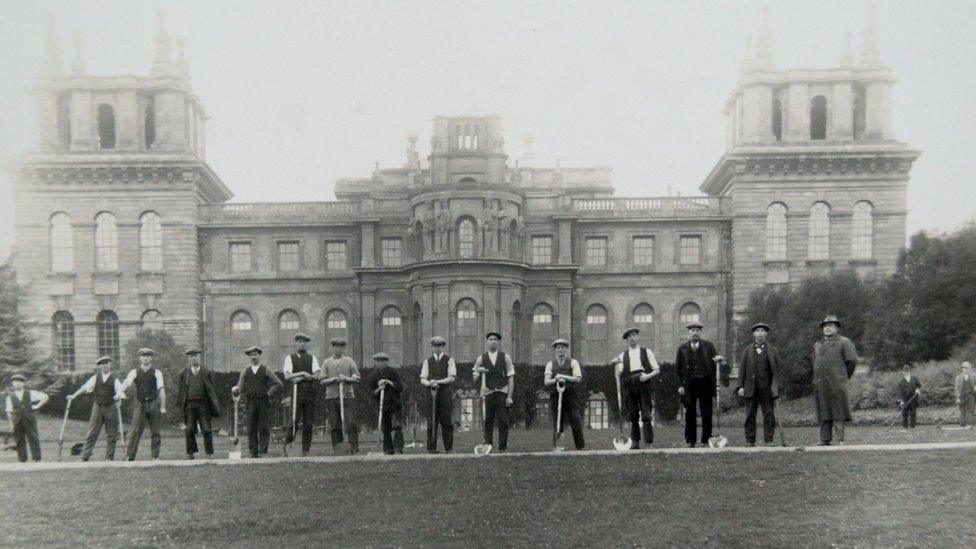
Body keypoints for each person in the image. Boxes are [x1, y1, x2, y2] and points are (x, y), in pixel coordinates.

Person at [67, 356, 124, 461]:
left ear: (110, 365)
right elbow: (84, 388)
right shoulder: (95, 378)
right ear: (99, 366)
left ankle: (109, 458)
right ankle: (84, 457)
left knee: (112, 434)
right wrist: (74, 396)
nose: (104, 365)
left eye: (106, 363)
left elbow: (120, 392)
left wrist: (118, 397)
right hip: (98, 407)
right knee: (92, 432)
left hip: (111, 407)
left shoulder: (115, 379)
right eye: (102, 364)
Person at [812, 315, 858, 446]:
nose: (827, 328)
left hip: (837, 382)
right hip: (820, 383)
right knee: (823, 411)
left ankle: (839, 440)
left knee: (838, 410)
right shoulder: (817, 344)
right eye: (825, 326)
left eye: (831, 325)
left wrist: (842, 375)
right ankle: (824, 439)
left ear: (837, 328)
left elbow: (852, 361)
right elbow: (815, 363)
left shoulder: (844, 342)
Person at [611, 327, 660, 449]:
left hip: (643, 383)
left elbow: (657, 369)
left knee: (646, 414)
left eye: (634, 335)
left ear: (637, 337)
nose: (632, 338)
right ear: (627, 339)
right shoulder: (622, 355)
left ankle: (648, 442)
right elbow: (618, 374)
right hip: (629, 384)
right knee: (633, 415)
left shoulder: (646, 351)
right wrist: (615, 365)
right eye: (629, 336)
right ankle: (635, 442)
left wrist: (647, 376)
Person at [232, 346, 283, 458]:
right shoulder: (245, 371)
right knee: (251, 426)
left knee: (263, 426)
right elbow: (239, 387)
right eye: (251, 355)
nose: (254, 357)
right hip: (250, 402)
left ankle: (263, 451)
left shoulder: (266, 370)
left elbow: (278, 383)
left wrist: (269, 392)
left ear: (259, 356)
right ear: (249, 357)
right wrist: (235, 389)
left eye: (256, 354)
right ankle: (253, 451)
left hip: (263, 401)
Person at [736, 323, 781, 446]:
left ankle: (769, 440)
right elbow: (742, 369)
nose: (760, 333)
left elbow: (777, 371)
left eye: (762, 331)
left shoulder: (773, 350)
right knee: (750, 414)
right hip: (751, 387)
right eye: (757, 331)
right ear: (754, 334)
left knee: (769, 414)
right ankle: (750, 440)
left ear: (766, 333)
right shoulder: (747, 350)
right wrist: (740, 386)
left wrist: (775, 387)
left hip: (767, 387)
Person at [675, 322, 719, 447]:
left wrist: (719, 361)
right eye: (692, 330)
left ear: (700, 332)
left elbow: (716, 365)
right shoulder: (682, 348)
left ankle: (706, 440)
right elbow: (677, 370)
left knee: (706, 412)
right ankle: (691, 441)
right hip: (689, 385)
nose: (695, 332)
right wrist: (680, 385)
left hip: (705, 383)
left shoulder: (709, 346)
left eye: (697, 330)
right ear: (688, 333)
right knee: (690, 413)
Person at [119, 348, 167, 461]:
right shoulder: (134, 372)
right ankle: (130, 456)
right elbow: (127, 383)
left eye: (148, 356)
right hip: (140, 404)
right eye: (143, 356)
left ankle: (155, 456)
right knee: (135, 430)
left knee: (156, 431)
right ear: (140, 358)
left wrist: (163, 407)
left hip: (153, 403)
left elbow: (161, 390)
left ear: (151, 358)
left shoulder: (157, 372)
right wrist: (119, 392)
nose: (145, 358)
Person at [175, 347, 222, 460]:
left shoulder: (207, 372)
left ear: (199, 357)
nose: (194, 358)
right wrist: (183, 405)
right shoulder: (184, 373)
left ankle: (209, 453)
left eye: (195, 356)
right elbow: (182, 390)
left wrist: (212, 405)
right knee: (190, 429)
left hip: (203, 405)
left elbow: (212, 390)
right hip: (189, 405)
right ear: (188, 359)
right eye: (191, 356)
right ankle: (190, 453)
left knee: (206, 429)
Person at [472, 332, 515, 453]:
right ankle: (488, 447)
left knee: (503, 421)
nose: (493, 341)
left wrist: (509, 396)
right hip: (487, 393)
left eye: (495, 339)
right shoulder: (481, 358)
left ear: (498, 342)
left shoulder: (505, 357)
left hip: (502, 392)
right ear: (487, 341)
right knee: (487, 421)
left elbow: (511, 377)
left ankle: (502, 447)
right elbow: (475, 378)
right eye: (490, 339)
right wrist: (479, 371)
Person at [318, 338, 361, 455]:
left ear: (343, 348)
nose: (339, 349)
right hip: (331, 397)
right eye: (336, 346)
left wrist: (346, 378)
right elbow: (321, 380)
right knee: (335, 424)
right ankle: (338, 449)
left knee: (351, 422)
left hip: (348, 397)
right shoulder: (326, 362)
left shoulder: (349, 361)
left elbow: (357, 377)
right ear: (333, 348)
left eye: (341, 347)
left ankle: (354, 448)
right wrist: (334, 379)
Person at [283, 333, 320, 456]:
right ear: (296, 343)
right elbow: (287, 376)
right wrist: (303, 373)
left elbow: (316, 375)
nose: (301, 343)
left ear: (306, 344)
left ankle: (305, 451)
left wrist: (300, 377)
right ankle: (288, 450)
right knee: (293, 422)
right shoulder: (290, 358)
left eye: (304, 341)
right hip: (296, 392)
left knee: (308, 423)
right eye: (299, 341)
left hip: (309, 393)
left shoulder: (312, 358)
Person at [544, 338, 584, 450]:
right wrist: (556, 380)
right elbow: (546, 381)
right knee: (558, 419)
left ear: (566, 349)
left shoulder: (573, 362)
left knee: (575, 419)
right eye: (558, 348)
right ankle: (558, 446)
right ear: (555, 350)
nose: (560, 350)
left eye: (562, 347)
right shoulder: (550, 364)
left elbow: (577, 378)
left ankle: (580, 446)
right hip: (556, 394)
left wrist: (563, 377)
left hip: (570, 393)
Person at [420, 336, 456, 453]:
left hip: (444, 393)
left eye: (440, 346)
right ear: (432, 347)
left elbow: (451, 377)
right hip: (431, 394)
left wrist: (438, 382)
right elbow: (423, 378)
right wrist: (429, 383)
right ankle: (431, 448)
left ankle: (448, 448)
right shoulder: (427, 361)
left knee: (446, 421)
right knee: (432, 421)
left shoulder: (449, 360)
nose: (437, 348)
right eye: (435, 346)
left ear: (443, 347)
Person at [5, 374, 49, 462]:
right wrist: (11, 424)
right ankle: (22, 459)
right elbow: (9, 411)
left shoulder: (30, 393)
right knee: (19, 439)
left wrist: (37, 406)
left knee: (33, 438)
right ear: (12, 384)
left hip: (29, 419)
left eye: (20, 382)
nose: (17, 384)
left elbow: (45, 396)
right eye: (15, 382)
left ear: (23, 383)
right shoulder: (10, 396)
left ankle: (37, 458)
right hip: (17, 420)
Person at [369, 352, 404, 454]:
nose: (380, 363)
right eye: (378, 361)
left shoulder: (393, 372)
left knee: (397, 426)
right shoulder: (373, 376)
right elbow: (371, 393)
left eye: (383, 361)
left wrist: (389, 382)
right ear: (375, 362)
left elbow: (400, 387)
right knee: (385, 428)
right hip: (382, 405)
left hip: (394, 404)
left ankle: (398, 448)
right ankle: (388, 449)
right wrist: (379, 389)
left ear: (386, 362)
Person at [896, 364, 922, 430]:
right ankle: (905, 428)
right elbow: (899, 392)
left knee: (913, 413)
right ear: (902, 372)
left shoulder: (914, 379)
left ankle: (913, 428)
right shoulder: (900, 382)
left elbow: (919, 386)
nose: (906, 372)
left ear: (909, 371)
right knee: (904, 414)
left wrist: (917, 390)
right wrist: (901, 401)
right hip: (904, 399)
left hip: (913, 398)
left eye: (907, 371)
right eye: (904, 371)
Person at [954, 362, 976, 427]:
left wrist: (975, 387)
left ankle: (971, 424)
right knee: (962, 410)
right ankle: (962, 424)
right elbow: (956, 389)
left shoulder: (973, 376)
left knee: (971, 410)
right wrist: (958, 398)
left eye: (968, 368)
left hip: (971, 396)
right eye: (965, 368)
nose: (966, 369)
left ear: (969, 369)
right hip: (962, 396)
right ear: (962, 369)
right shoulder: (958, 377)